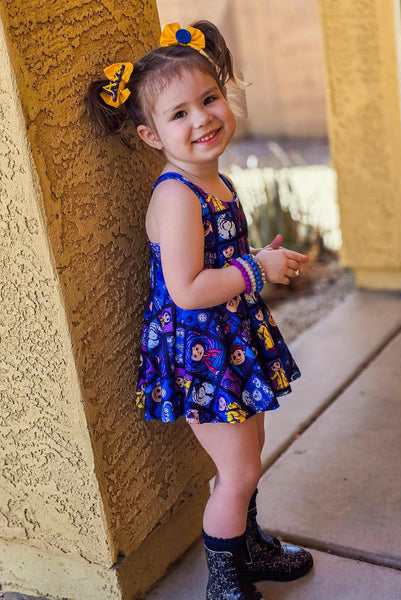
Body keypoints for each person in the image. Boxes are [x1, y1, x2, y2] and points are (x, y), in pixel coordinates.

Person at [85, 20, 313, 600]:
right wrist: (256, 270)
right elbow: (185, 288)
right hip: (201, 352)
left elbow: (225, 262)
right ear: (150, 135)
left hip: (228, 339)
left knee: (246, 459)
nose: (203, 118)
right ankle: (226, 583)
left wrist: (260, 259)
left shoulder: (216, 182)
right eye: (179, 113)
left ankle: (250, 546)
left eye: (209, 99)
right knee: (237, 471)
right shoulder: (175, 194)